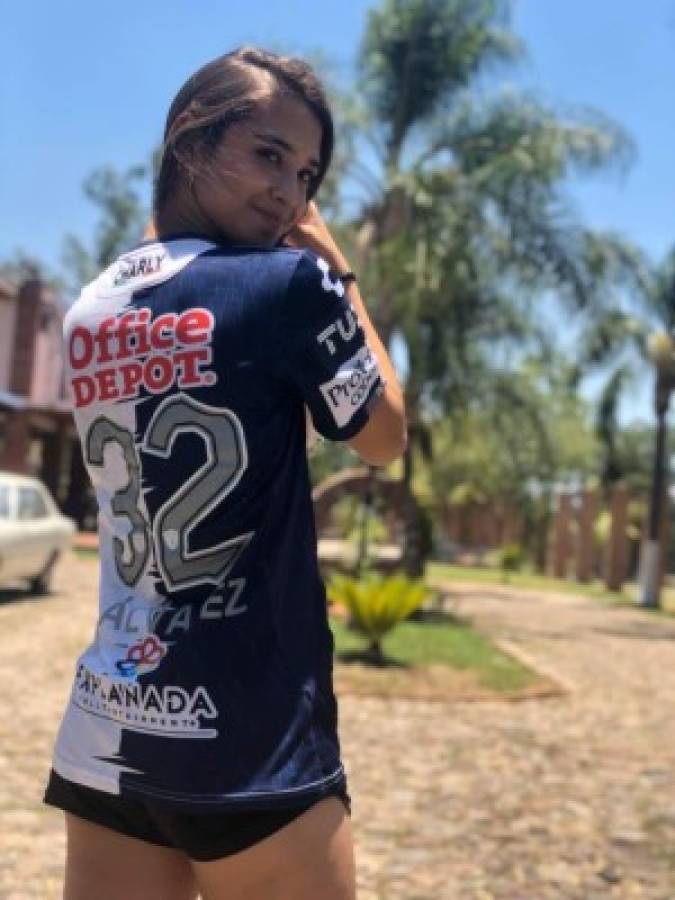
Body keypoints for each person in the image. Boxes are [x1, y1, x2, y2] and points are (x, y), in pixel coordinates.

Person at [44, 46, 406, 900]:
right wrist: (338, 268)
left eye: (306, 174)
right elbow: (383, 437)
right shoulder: (288, 285)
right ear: (189, 135)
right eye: (269, 154)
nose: (289, 194)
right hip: (251, 743)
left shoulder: (89, 308)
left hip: (109, 731)